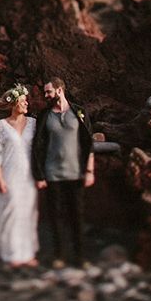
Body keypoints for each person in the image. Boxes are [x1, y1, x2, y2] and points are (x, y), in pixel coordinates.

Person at [32, 77, 94, 268]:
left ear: (59, 90)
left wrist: (90, 171)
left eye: (48, 91)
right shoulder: (44, 115)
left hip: (75, 173)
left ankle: (80, 256)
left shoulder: (79, 112)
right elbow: (37, 146)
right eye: (45, 92)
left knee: (77, 215)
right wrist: (39, 175)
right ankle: (60, 255)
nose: (45, 95)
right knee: (55, 216)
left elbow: (88, 143)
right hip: (52, 174)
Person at [0, 83, 38, 267]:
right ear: (13, 104)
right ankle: (9, 252)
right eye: (22, 101)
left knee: (27, 212)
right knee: (10, 209)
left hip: (29, 175)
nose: (26, 104)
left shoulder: (34, 124)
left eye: (26, 101)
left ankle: (26, 254)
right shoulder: (2, 126)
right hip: (9, 173)